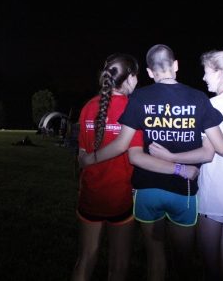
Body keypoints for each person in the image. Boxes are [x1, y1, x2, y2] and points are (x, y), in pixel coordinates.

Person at [80, 44, 223, 280]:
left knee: (155, 257)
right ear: (176, 65)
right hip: (183, 192)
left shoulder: (138, 98)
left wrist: (89, 158)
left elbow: (127, 148)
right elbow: (209, 152)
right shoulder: (199, 99)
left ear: (149, 72)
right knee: (183, 260)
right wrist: (181, 166)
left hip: (147, 189)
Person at [149, 50, 223, 280]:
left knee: (210, 262)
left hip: (218, 184)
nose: (204, 78)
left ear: (220, 72)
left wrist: (169, 156)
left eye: (206, 72)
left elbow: (212, 151)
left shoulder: (215, 103)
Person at [71, 53, 143, 281]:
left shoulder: (88, 107)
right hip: (120, 197)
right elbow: (134, 154)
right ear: (130, 78)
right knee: (118, 266)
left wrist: (89, 160)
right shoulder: (133, 109)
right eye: (136, 76)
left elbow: (81, 155)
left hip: (89, 196)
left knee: (85, 259)